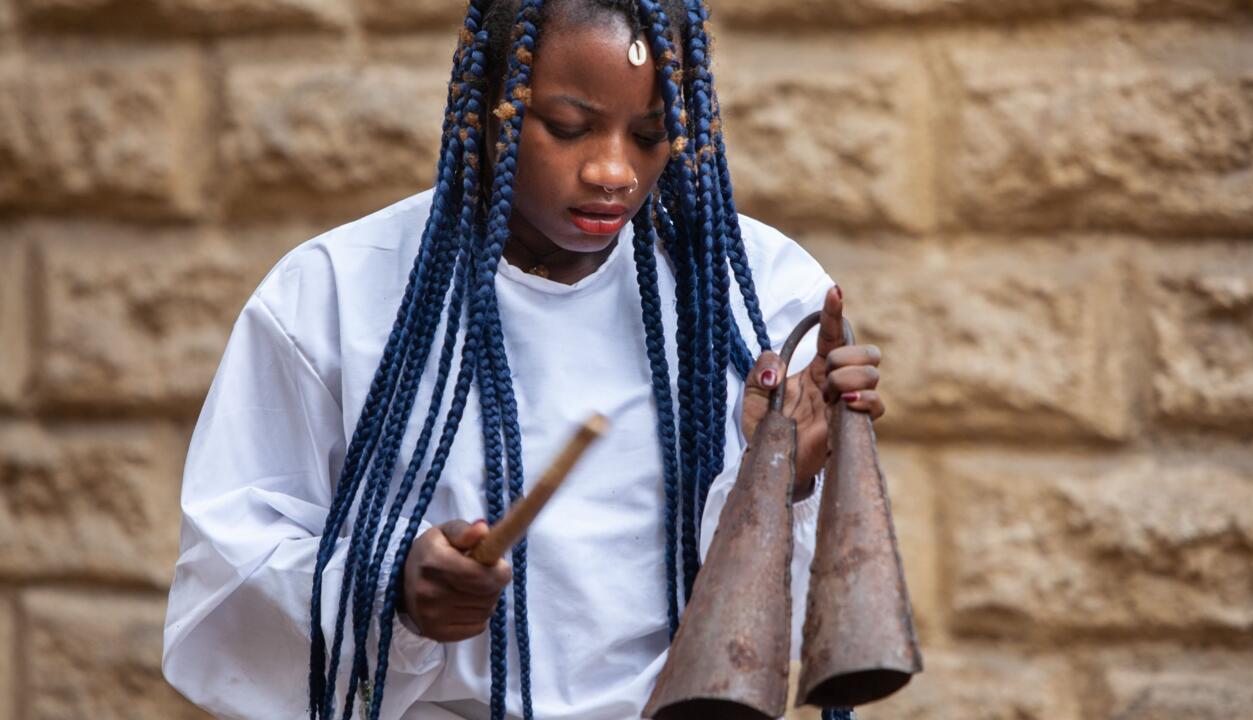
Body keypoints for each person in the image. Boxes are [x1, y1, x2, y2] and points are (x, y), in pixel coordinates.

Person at [161, 0, 886, 719]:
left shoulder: (754, 294)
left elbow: (795, 638)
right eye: (569, 127)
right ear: (487, 106)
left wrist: (780, 476)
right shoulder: (333, 295)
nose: (614, 171)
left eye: (649, 135)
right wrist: (391, 590)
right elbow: (226, 579)